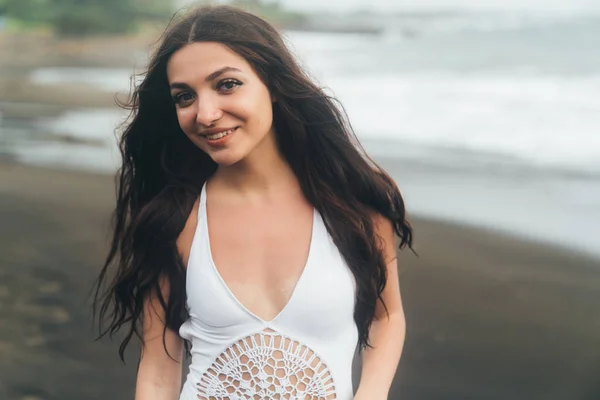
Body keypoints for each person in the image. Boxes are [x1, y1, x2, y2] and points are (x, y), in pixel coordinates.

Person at [93, 5, 413, 400]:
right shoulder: (175, 219)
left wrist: (372, 393)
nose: (205, 114)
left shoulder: (353, 203)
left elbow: (386, 315)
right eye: (184, 97)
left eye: (226, 84)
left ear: (274, 85)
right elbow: (158, 373)